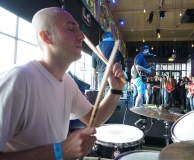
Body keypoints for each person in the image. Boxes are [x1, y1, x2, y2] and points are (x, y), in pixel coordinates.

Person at [0, 7, 125, 160]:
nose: (81, 36)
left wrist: (115, 90)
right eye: (71, 29)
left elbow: (94, 118)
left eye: (79, 30)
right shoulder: (18, 81)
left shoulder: (67, 82)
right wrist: (59, 152)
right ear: (46, 37)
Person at [92, 32, 122, 96]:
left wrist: (97, 74)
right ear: (111, 37)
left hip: (100, 76)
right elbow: (118, 62)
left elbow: (93, 69)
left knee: (102, 97)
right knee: (110, 96)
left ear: (103, 38)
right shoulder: (114, 44)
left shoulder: (96, 48)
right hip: (111, 74)